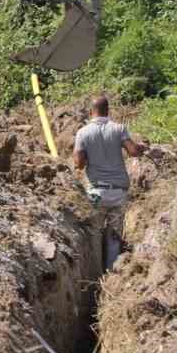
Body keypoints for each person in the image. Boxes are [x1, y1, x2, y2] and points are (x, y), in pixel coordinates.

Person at [72, 94, 145, 271]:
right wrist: (141, 147)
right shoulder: (119, 129)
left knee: (95, 236)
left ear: (91, 112)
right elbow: (133, 151)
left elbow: (79, 164)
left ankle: (95, 278)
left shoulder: (83, 132)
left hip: (96, 193)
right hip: (118, 192)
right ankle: (111, 273)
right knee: (113, 237)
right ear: (108, 111)